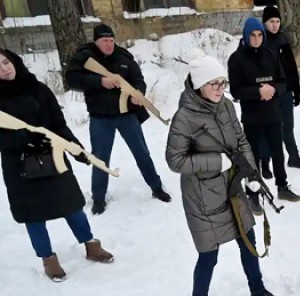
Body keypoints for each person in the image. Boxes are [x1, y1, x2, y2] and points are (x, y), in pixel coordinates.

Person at [166, 50, 286, 296]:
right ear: (199, 85)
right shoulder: (184, 118)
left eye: (222, 82)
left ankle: (257, 290)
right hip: (202, 198)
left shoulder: (226, 106)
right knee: (209, 256)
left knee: (248, 240)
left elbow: (241, 140)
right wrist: (215, 163)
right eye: (214, 84)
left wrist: (252, 174)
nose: (220, 89)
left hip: (232, 188)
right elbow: (175, 160)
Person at [0, 49, 114, 281]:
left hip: (53, 156)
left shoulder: (38, 89)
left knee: (71, 205)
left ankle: (90, 244)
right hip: (19, 166)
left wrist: (76, 149)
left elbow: (58, 125)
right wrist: (22, 138)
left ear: (14, 61)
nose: (4, 69)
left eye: (6, 62)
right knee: (33, 215)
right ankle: (48, 259)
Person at [65, 23, 171, 215]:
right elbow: (71, 78)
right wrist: (99, 81)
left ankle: (157, 188)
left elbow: (138, 79)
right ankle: (98, 198)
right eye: (105, 40)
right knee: (100, 159)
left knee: (142, 153)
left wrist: (138, 92)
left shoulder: (123, 57)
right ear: (96, 41)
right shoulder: (85, 56)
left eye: (112, 40)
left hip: (126, 115)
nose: (109, 44)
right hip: (100, 117)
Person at [228, 17, 300, 202]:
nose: (256, 39)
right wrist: (258, 92)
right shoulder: (236, 59)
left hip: (273, 113)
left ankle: (282, 186)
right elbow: (235, 90)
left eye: (259, 35)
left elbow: (283, 82)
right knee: (253, 156)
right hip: (252, 116)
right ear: (246, 36)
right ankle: (253, 193)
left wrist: (273, 89)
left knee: (277, 152)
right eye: (252, 35)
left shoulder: (272, 55)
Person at [263, 6, 300, 170]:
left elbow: (291, 67)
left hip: (286, 91)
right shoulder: (261, 41)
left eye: (277, 21)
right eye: (271, 21)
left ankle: (294, 156)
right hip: (271, 93)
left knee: (288, 127)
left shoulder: (283, 39)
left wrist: (296, 90)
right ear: (265, 22)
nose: (275, 25)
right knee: (271, 128)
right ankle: (265, 162)